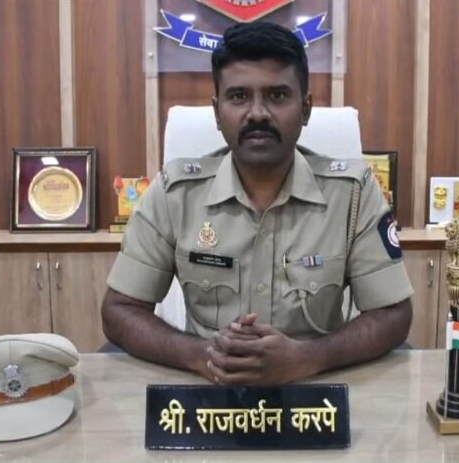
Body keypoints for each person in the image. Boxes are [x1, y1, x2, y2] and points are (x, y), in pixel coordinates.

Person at [101, 22, 413, 385]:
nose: (258, 113)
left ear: (306, 108)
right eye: (238, 97)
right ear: (217, 112)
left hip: (316, 393)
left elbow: (393, 314)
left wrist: (309, 358)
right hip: (207, 391)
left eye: (277, 96)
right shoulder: (175, 193)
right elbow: (119, 310)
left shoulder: (352, 193)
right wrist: (202, 356)